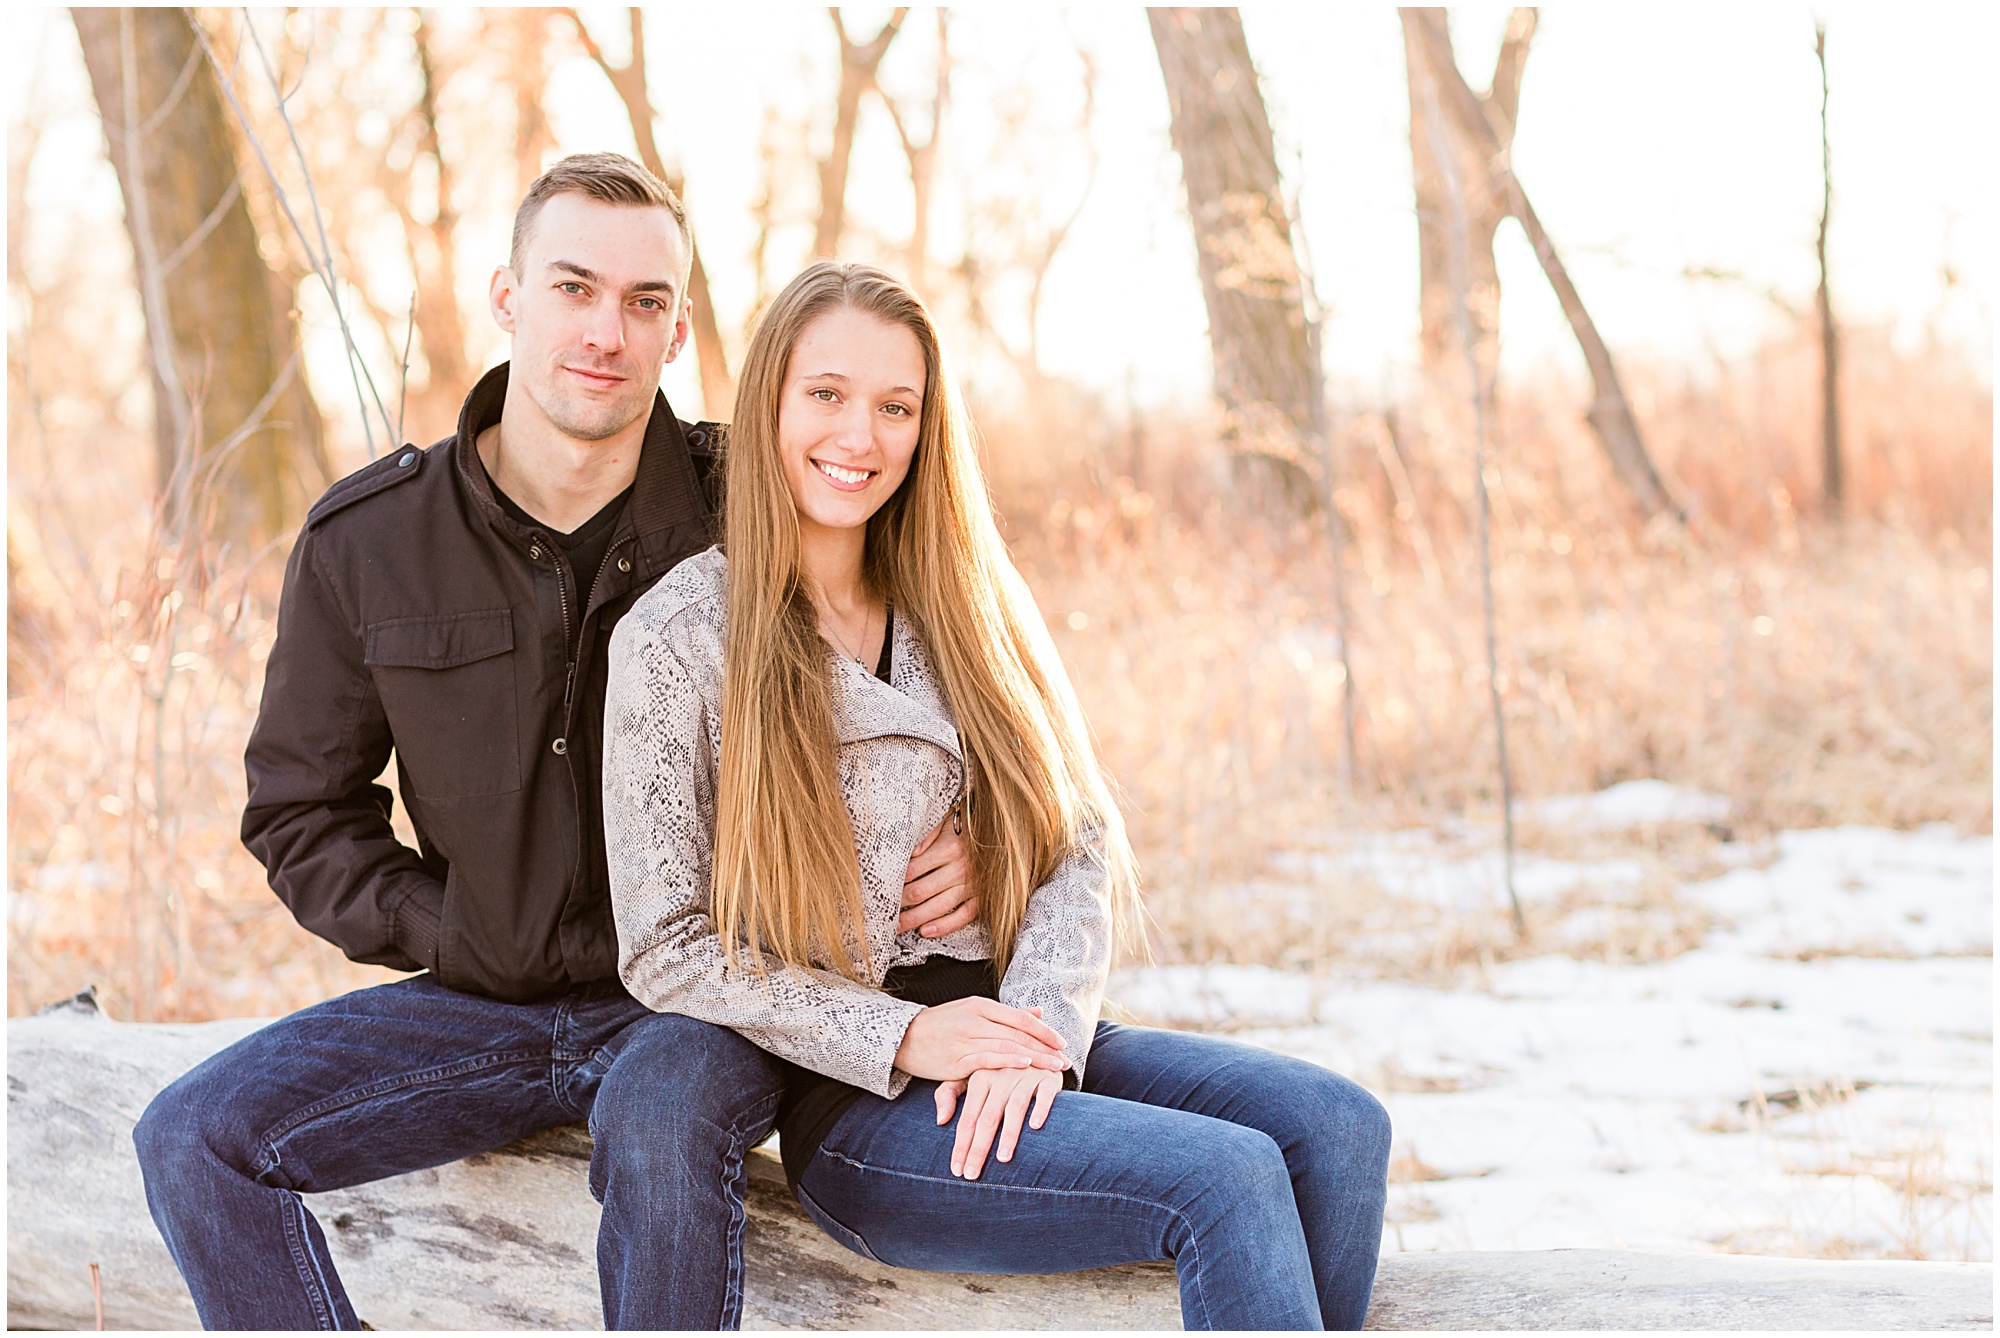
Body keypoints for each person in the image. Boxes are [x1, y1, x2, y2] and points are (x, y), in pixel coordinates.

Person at [131, 156, 983, 1331]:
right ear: (506, 296)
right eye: (574, 287)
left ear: (678, 333)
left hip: (708, 1000)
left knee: (660, 1121)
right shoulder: (369, 542)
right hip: (487, 999)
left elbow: (943, 676)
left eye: (644, 303)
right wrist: (445, 929)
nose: (606, 331)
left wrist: (981, 838)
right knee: (191, 1138)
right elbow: (299, 813)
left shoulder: (765, 495)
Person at [603, 262, 1393, 1331]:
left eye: (896, 407)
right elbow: (665, 947)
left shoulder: (964, 597)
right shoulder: (679, 638)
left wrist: (1039, 1034)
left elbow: (1075, 829)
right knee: (1227, 1179)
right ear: (768, 404)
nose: (860, 435)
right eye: (826, 395)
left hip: (1015, 1026)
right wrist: (904, 1040)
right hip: (868, 1102)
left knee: (1336, 1129)